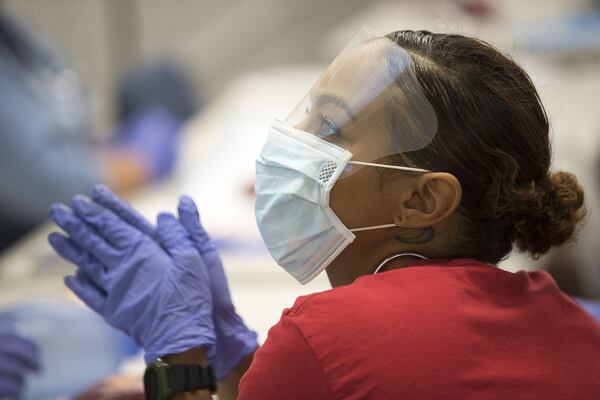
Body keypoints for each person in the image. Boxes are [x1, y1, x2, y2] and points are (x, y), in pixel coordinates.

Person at [48, 28, 600, 400]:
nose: (294, 142)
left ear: (422, 200)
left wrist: (181, 358)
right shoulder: (570, 323)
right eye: (306, 117)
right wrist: (234, 355)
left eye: (330, 129)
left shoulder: (324, 337)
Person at [0, 7, 185, 251]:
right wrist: (139, 162)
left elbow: (73, 96)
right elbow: (47, 184)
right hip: (27, 243)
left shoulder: (11, 29)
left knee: (161, 81)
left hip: (79, 185)